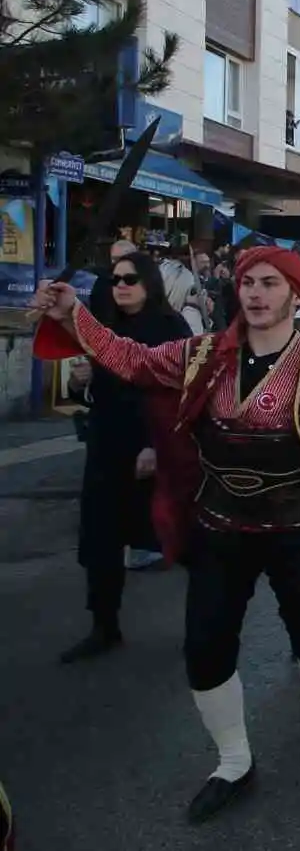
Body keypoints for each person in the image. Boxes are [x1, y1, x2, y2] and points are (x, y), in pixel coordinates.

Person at [29, 247, 300, 824]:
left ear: (296, 294)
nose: (256, 293)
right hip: (221, 525)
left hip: (296, 525)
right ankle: (234, 760)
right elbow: (132, 359)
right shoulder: (203, 356)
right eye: (247, 283)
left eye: (270, 283)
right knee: (206, 646)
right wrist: (71, 316)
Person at [60, 248, 192, 663]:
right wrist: (82, 383)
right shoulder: (106, 327)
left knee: (176, 540)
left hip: (154, 449)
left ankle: (205, 625)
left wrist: (156, 444)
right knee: (101, 540)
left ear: (148, 283)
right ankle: (104, 625)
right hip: (106, 447)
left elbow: (178, 394)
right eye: (115, 279)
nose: (120, 286)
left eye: (129, 279)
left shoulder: (170, 327)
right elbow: (93, 390)